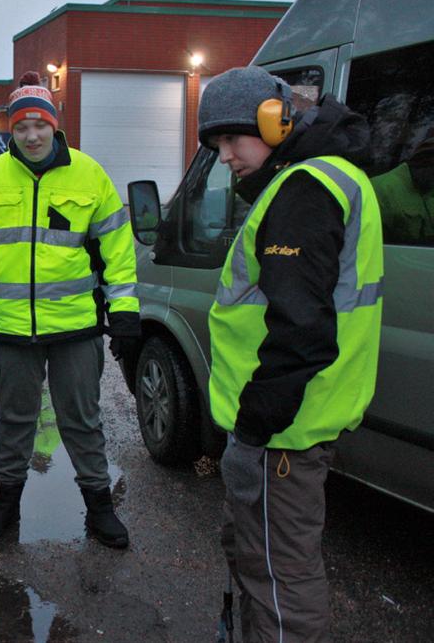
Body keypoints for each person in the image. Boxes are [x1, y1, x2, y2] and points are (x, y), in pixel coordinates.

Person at [199, 66, 383, 642]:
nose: (224, 156)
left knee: (279, 579)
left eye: (231, 139)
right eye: (215, 145)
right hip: (296, 423)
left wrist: (253, 426)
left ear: (275, 121)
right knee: (261, 563)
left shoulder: (304, 190)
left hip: (281, 434)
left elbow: (301, 332)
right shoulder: (325, 177)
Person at [0, 71, 140, 548]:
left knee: (82, 419)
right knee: (15, 420)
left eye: (39, 125)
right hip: (12, 330)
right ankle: (5, 504)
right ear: (9, 131)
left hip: (75, 327)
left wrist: (125, 310)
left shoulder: (88, 174)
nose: (31, 136)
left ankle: (100, 507)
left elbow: (117, 248)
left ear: (55, 125)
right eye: (20, 128)